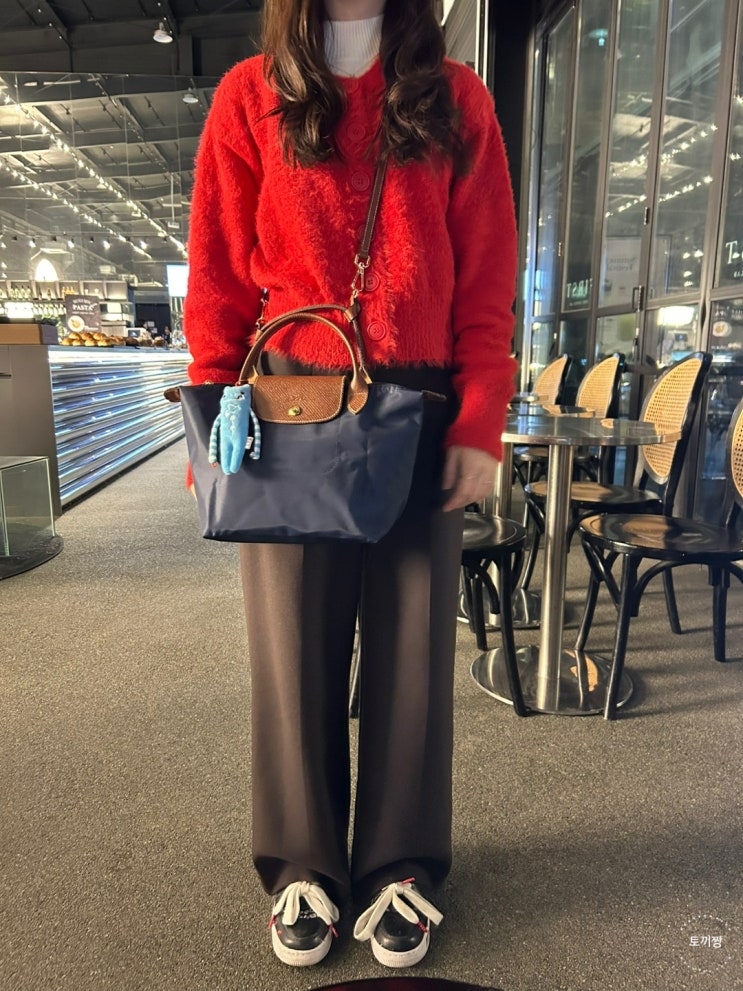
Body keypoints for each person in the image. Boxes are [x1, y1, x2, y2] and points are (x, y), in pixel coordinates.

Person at [183, 0, 518, 970]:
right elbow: (217, 271)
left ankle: (398, 864)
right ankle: (303, 863)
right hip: (286, 401)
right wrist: (210, 406)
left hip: (418, 402)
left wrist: (480, 419)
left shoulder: (456, 99)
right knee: (291, 649)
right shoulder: (250, 96)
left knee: (414, 646)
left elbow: (485, 274)